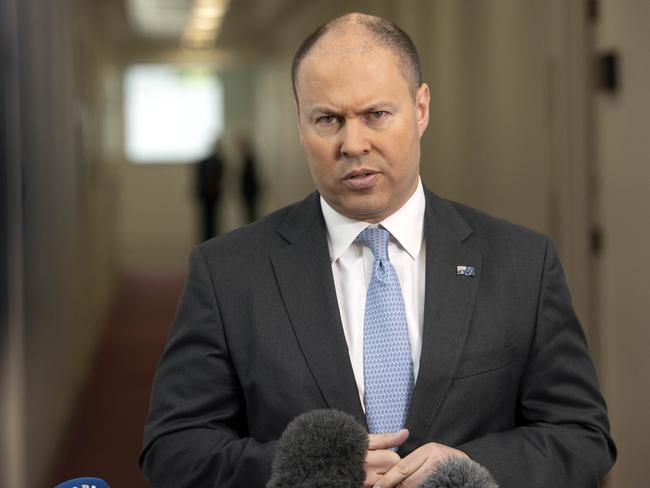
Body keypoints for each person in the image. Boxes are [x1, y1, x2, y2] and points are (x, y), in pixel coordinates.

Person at [140, 13, 616, 488]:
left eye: (376, 115)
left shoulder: (521, 264)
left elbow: (582, 436)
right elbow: (174, 449)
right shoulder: (227, 272)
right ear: (300, 122)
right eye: (328, 119)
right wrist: (307, 473)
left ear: (421, 108)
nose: (353, 144)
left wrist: (472, 472)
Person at [195, 138, 225, 241]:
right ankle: (206, 238)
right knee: (206, 219)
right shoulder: (205, 162)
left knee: (214, 218)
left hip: (214, 195)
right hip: (207, 195)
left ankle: (212, 238)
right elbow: (199, 179)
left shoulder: (219, 162)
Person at [238, 135, 261, 223]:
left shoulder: (249, 160)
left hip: (250, 192)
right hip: (248, 192)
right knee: (250, 213)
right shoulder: (246, 159)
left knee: (251, 214)